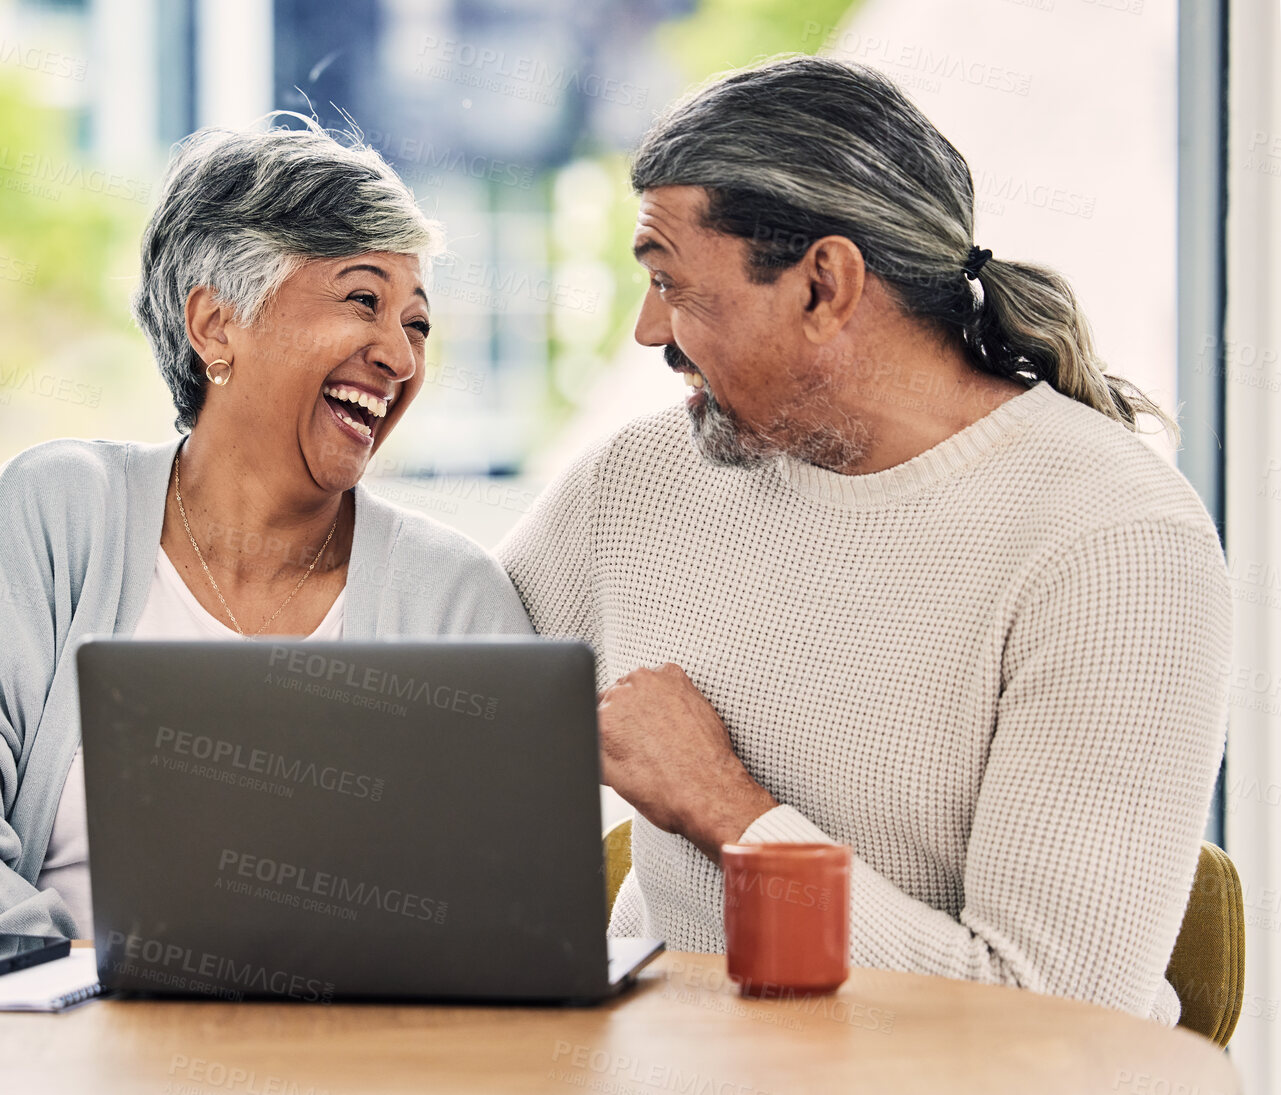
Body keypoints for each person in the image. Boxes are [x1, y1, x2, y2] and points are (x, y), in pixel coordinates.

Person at [497, 55, 1227, 1024]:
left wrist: (728, 813)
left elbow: (1051, 1019)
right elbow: (440, 718)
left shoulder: (1114, 545)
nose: (646, 330)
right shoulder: (640, 479)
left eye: (672, 284)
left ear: (823, 284)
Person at [0, 118, 533, 940]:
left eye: (416, 323)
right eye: (362, 301)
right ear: (214, 324)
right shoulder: (56, 514)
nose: (400, 355)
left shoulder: (454, 597)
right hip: (53, 1050)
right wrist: (105, 1026)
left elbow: (513, 909)